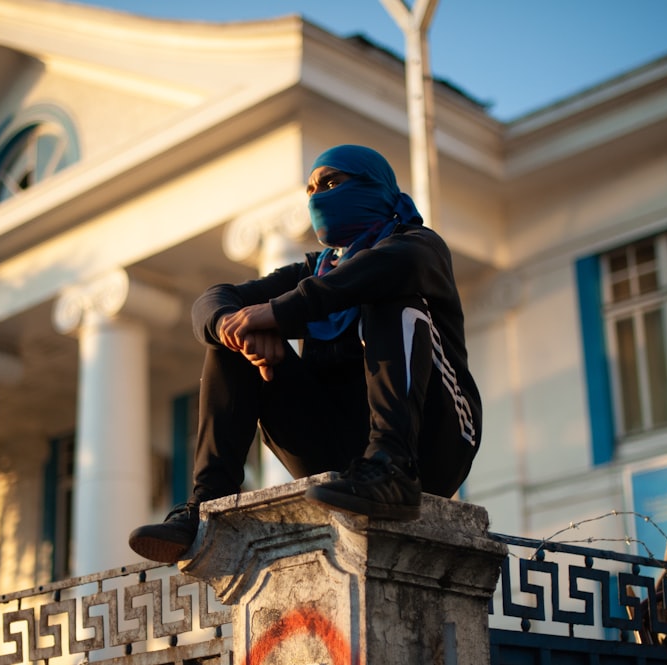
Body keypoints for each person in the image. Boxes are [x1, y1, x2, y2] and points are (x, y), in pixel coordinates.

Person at [128, 144, 482, 564]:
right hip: (337, 455)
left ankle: (391, 466)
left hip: (433, 445)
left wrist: (278, 313)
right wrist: (233, 328)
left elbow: (378, 272)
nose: (317, 197)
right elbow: (213, 299)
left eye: (331, 183)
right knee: (232, 338)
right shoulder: (315, 271)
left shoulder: (418, 246)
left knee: (388, 297)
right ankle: (207, 507)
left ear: (375, 187)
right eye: (310, 189)